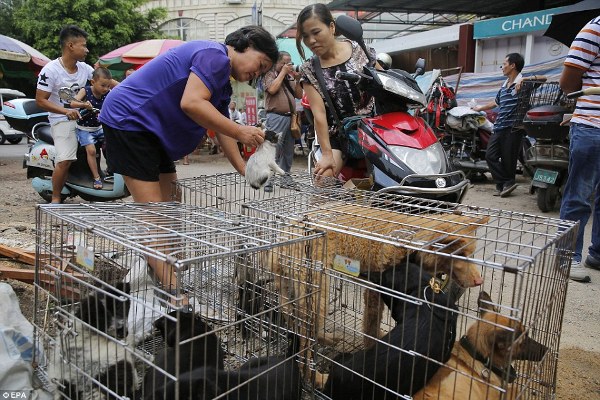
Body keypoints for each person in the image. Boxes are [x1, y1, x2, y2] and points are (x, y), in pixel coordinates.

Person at [99, 26, 278, 301]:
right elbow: (192, 103)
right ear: (247, 44)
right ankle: (172, 292)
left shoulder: (222, 83)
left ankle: (169, 268)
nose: (257, 74)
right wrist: (241, 131)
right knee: (154, 213)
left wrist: (245, 170)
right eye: (261, 64)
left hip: (151, 131)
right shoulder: (215, 56)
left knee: (173, 201)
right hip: (129, 121)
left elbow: (221, 129)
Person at [35, 25, 117, 203]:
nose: (87, 50)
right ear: (70, 45)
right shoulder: (50, 71)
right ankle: (56, 198)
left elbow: (108, 83)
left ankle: (102, 177)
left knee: (115, 139)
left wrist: (131, 89)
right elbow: (41, 100)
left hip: (88, 120)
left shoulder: (86, 69)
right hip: (62, 120)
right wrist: (66, 111)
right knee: (65, 159)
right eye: (84, 45)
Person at [295, 4, 375, 178]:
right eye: (306, 36)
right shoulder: (309, 69)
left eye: (316, 32)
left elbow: (384, 83)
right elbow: (319, 115)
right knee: (323, 182)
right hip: (338, 134)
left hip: (374, 128)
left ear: (331, 27)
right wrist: (327, 155)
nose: (311, 41)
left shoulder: (360, 50)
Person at [558, 16, 600, 283]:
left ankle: (596, 253)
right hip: (592, 126)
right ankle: (566, 257)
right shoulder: (596, 27)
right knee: (580, 196)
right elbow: (568, 81)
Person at [472, 53, 544, 198]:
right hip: (499, 127)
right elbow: (496, 102)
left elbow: (544, 79)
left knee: (508, 159)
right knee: (490, 156)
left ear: (513, 65)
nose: (502, 67)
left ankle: (503, 186)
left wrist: (526, 79)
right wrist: (479, 108)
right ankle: (507, 182)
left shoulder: (523, 84)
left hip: (514, 128)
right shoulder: (504, 86)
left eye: (504, 64)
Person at [263, 51, 302, 191]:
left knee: (288, 151)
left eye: (289, 62)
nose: (288, 65)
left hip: (290, 117)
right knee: (274, 150)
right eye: (284, 63)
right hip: (275, 116)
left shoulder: (288, 77)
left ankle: (286, 179)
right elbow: (272, 89)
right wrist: (282, 73)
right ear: (277, 63)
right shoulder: (269, 74)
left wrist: (298, 80)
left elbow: (299, 95)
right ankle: (268, 180)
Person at [69, 67, 112, 189]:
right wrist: (83, 104)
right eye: (103, 85)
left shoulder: (108, 94)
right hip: (85, 129)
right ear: (93, 82)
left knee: (114, 142)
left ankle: (112, 170)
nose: (106, 89)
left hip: (99, 127)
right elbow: (72, 103)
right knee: (91, 151)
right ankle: (96, 178)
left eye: (108, 86)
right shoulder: (86, 91)